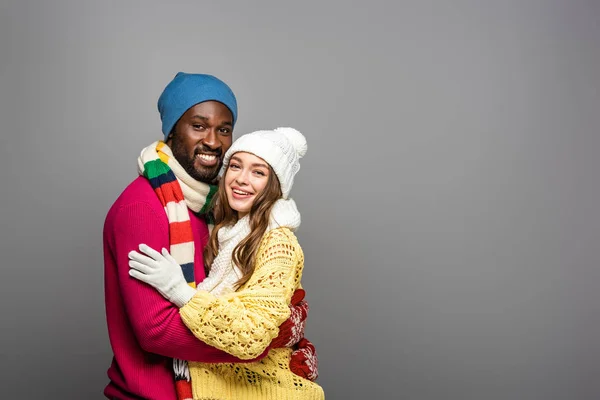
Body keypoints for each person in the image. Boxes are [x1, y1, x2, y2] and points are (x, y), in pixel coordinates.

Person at [103, 73, 317, 400]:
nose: (214, 142)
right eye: (199, 126)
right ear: (173, 130)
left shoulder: (219, 211)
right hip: (155, 394)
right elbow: (155, 331)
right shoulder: (143, 208)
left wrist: (274, 321)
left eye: (224, 129)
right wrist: (261, 342)